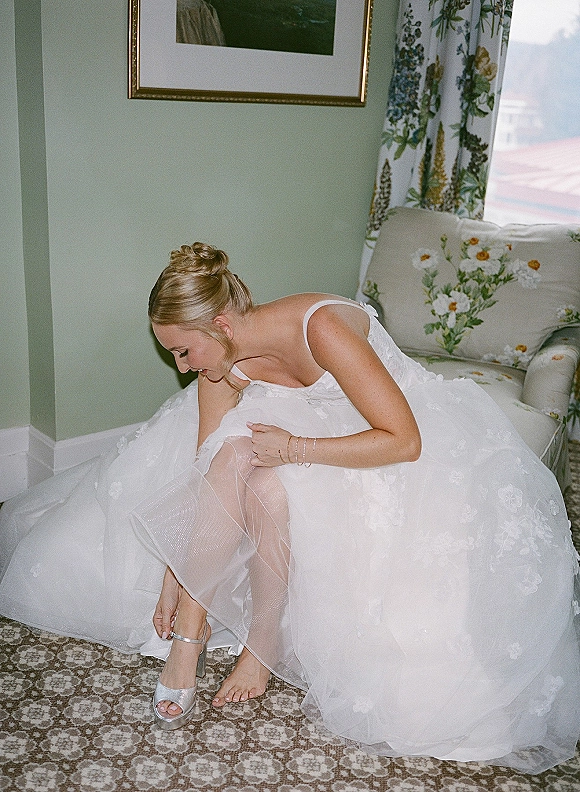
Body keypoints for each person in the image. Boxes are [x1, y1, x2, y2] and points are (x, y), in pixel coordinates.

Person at [1, 243, 579, 773]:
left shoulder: (320, 328)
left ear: (220, 324)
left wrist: (297, 449)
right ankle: (199, 634)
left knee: (270, 474)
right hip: (296, 439)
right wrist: (178, 572)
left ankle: (252, 643)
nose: (179, 366)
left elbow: (404, 439)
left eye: (182, 349)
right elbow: (207, 477)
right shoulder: (222, 366)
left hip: (382, 441)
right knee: (241, 466)